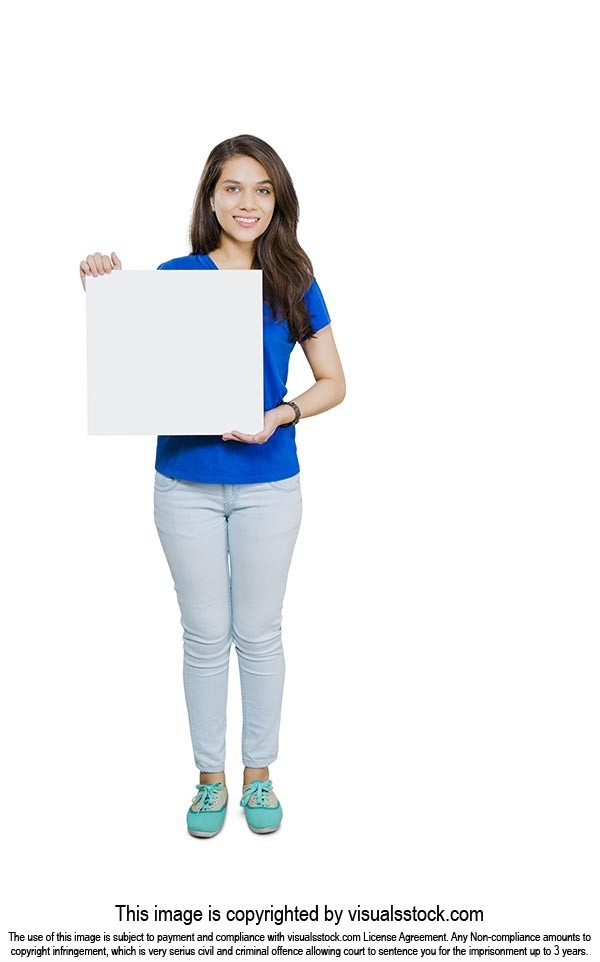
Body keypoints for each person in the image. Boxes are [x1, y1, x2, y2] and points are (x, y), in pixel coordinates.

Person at [79, 134, 346, 837]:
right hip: (185, 486)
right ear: (210, 197)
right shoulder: (177, 275)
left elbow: (334, 384)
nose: (247, 202)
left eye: (262, 189)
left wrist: (279, 413)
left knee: (258, 634)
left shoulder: (293, 280)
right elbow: (135, 362)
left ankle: (259, 775)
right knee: (205, 636)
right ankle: (209, 781)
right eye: (233, 187)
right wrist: (104, 290)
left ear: (277, 199)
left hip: (268, 486)